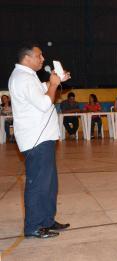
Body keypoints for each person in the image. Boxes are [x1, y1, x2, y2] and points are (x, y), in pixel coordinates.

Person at [8, 43, 71, 238]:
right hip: (36, 140)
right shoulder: (22, 78)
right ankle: (33, 226)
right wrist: (52, 85)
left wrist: (53, 81)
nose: (42, 59)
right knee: (37, 184)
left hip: (43, 138)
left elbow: (37, 94)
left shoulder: (27, 77)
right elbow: (44, 103)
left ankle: (46, 220)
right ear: (27, 58)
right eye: (39, 56)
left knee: (49, 183)